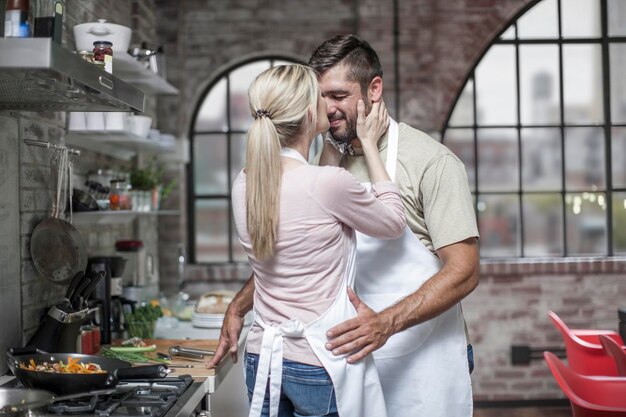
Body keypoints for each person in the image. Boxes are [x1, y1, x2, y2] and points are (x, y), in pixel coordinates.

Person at [209, 35, 480, 417]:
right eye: (320, 97)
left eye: (338, 95)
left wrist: (385, 324)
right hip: (336, 365)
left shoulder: (430, 163)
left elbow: (464, 272)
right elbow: (295, 250)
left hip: (418, 366)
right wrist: (239, 305)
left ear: (373, 90)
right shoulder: (321, 163)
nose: (328, 109)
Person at [224, 63, 406, 417]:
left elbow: (311, 196)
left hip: (262, 357)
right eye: (320, 97)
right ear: (310, 112)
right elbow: (394, 221)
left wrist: (331, 150)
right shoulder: (326, 185)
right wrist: (368, 143)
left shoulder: (244, 183)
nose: (329, 104)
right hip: (317, 363)